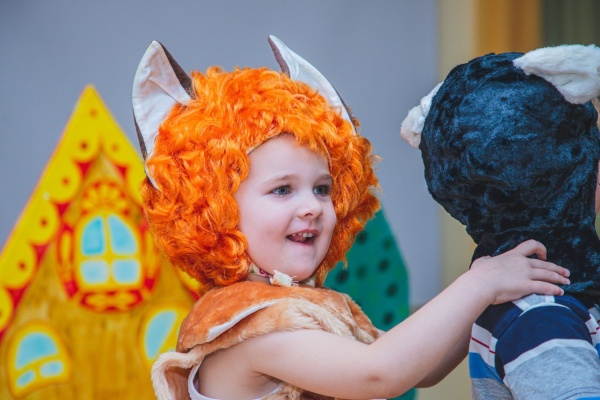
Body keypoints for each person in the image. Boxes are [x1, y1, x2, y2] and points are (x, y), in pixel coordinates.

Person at [132, 36, 569, 400]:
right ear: (213, 210)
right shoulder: (246, 326)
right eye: (282, 189)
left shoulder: (306, 307)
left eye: (323, 188)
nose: (312, 206)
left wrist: (486, 289)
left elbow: (421, 369)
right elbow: (380, 373)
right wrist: (480, 284)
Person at [401, 44, 600, 399]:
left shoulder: (530, 296)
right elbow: (383, 371)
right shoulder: (542, 318)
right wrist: (479, 286)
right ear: (563, 170)